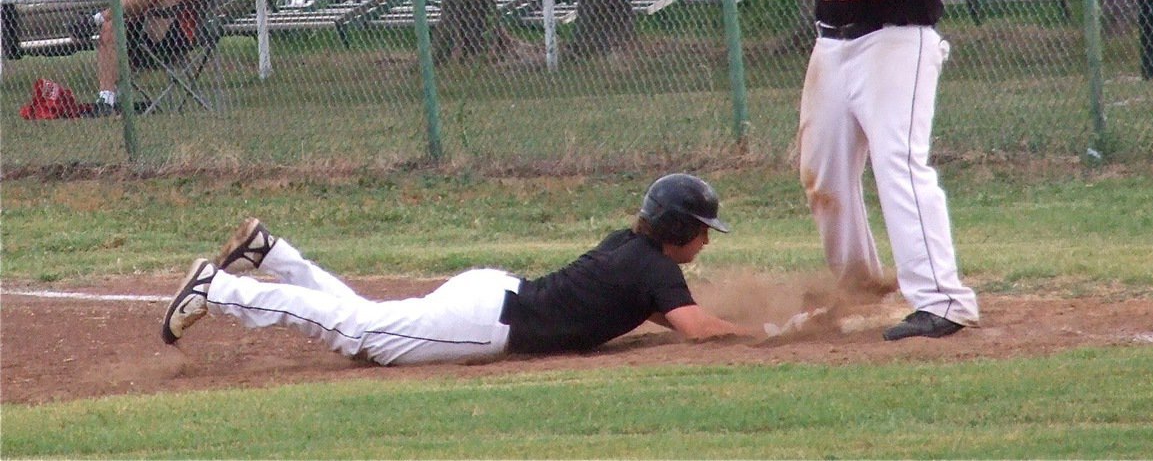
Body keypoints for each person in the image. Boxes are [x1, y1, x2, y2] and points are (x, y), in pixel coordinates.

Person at [776, 0, 980, 341]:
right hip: (832, 44)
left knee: (900, 166)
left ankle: (943, 300)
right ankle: (858, 283)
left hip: (898, 41)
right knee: (822, 173)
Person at [161, 173, 762, 364]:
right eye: (704, 230)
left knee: (364, 321)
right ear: (680, 228)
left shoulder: (634, 254)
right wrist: (763, 334)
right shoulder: (653, 267)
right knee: (361, 335)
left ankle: (273, 255)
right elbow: (696, 327)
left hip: (490, 297)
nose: (707, 242)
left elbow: (662, 313)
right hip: (489, 322)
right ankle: (220, 290)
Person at [89, 0, 229, 115]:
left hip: (175, 39)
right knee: (109, 27)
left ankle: (94, 20)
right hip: (139, 46)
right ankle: (106, 101)